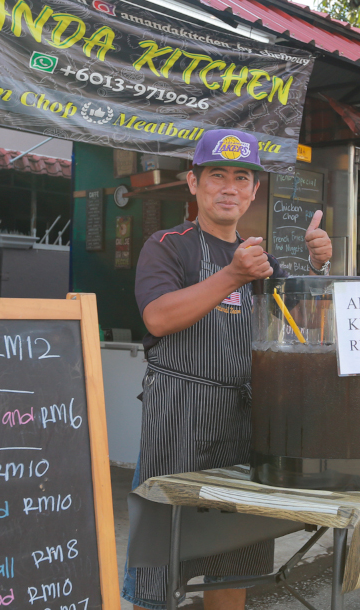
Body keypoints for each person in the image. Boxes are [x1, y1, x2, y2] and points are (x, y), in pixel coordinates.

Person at [122, 130, 332, 610]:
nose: (229, 187)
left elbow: (304, 335)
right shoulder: (166, 245)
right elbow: (157, 316)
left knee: (235, 549)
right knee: (163, 550)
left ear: (255, 191)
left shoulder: (264, 264)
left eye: (242, 177)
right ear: (193, 183)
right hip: (178, 416)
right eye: (217, 175)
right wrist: (232, 275)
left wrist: (318, 270)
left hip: (244, 420)